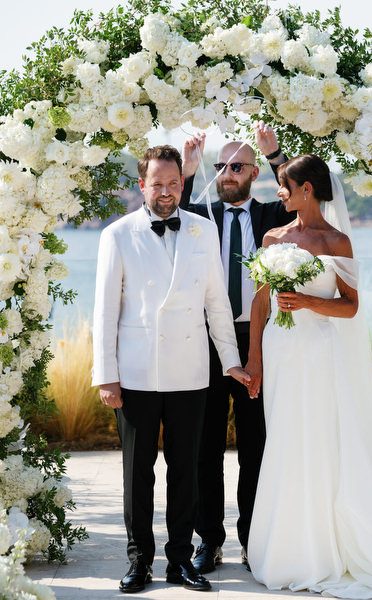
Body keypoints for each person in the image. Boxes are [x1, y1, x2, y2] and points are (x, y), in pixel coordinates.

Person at [246, 154, 372, 598]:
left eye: (286, 184)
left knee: (318, 439)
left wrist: (309, 303)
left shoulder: (336, 241)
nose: (279, 191)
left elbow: (351, 305)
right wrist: (254, 359)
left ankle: (323, 550)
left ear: (308, 190)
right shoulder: (272, 236)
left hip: (319, 351)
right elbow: (260, 302)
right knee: (283, 439)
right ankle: (285, 546)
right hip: (281, 354)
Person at [91, 145, 250, 594]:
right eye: (156, 183)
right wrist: (106, 374)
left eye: (173, 182)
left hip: (190, 370)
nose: (165, 191)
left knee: (187, 470)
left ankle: (180, 561)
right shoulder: (117, 235)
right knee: (137, 473)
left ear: (183, 182)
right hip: (136, 373)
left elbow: (217, 304)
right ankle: (140, 561)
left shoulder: (204, 229)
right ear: (142, 185)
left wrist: (231, 362)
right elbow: (104, 311)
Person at [179, 123, 295, 573]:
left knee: (256, 446)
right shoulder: (200, 216)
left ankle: (254, 538)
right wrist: (189, 170)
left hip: (261, 343)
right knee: (205, 446)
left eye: (237, 166)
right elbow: (174, 206)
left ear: (252, 173)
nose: (227, 173)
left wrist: (274, 154)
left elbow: (301, 200)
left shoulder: (272, 217)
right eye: (221, 166)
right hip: (208, 343)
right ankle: (209, 541)